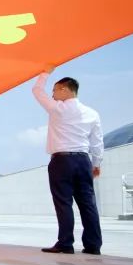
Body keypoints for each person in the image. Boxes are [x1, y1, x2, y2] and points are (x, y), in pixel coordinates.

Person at [34, 70, 104, 255]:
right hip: (83, 160)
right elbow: (97, 142)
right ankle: (93, 245)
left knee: (63, 202)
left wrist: (45, 72)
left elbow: (37, 90)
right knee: (88, 203)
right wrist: (96, 164)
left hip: (61, 161)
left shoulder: (57, 108)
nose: (52, 95)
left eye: (55, 90)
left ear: (64, 89)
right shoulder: (92, 113)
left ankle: (65, 243)